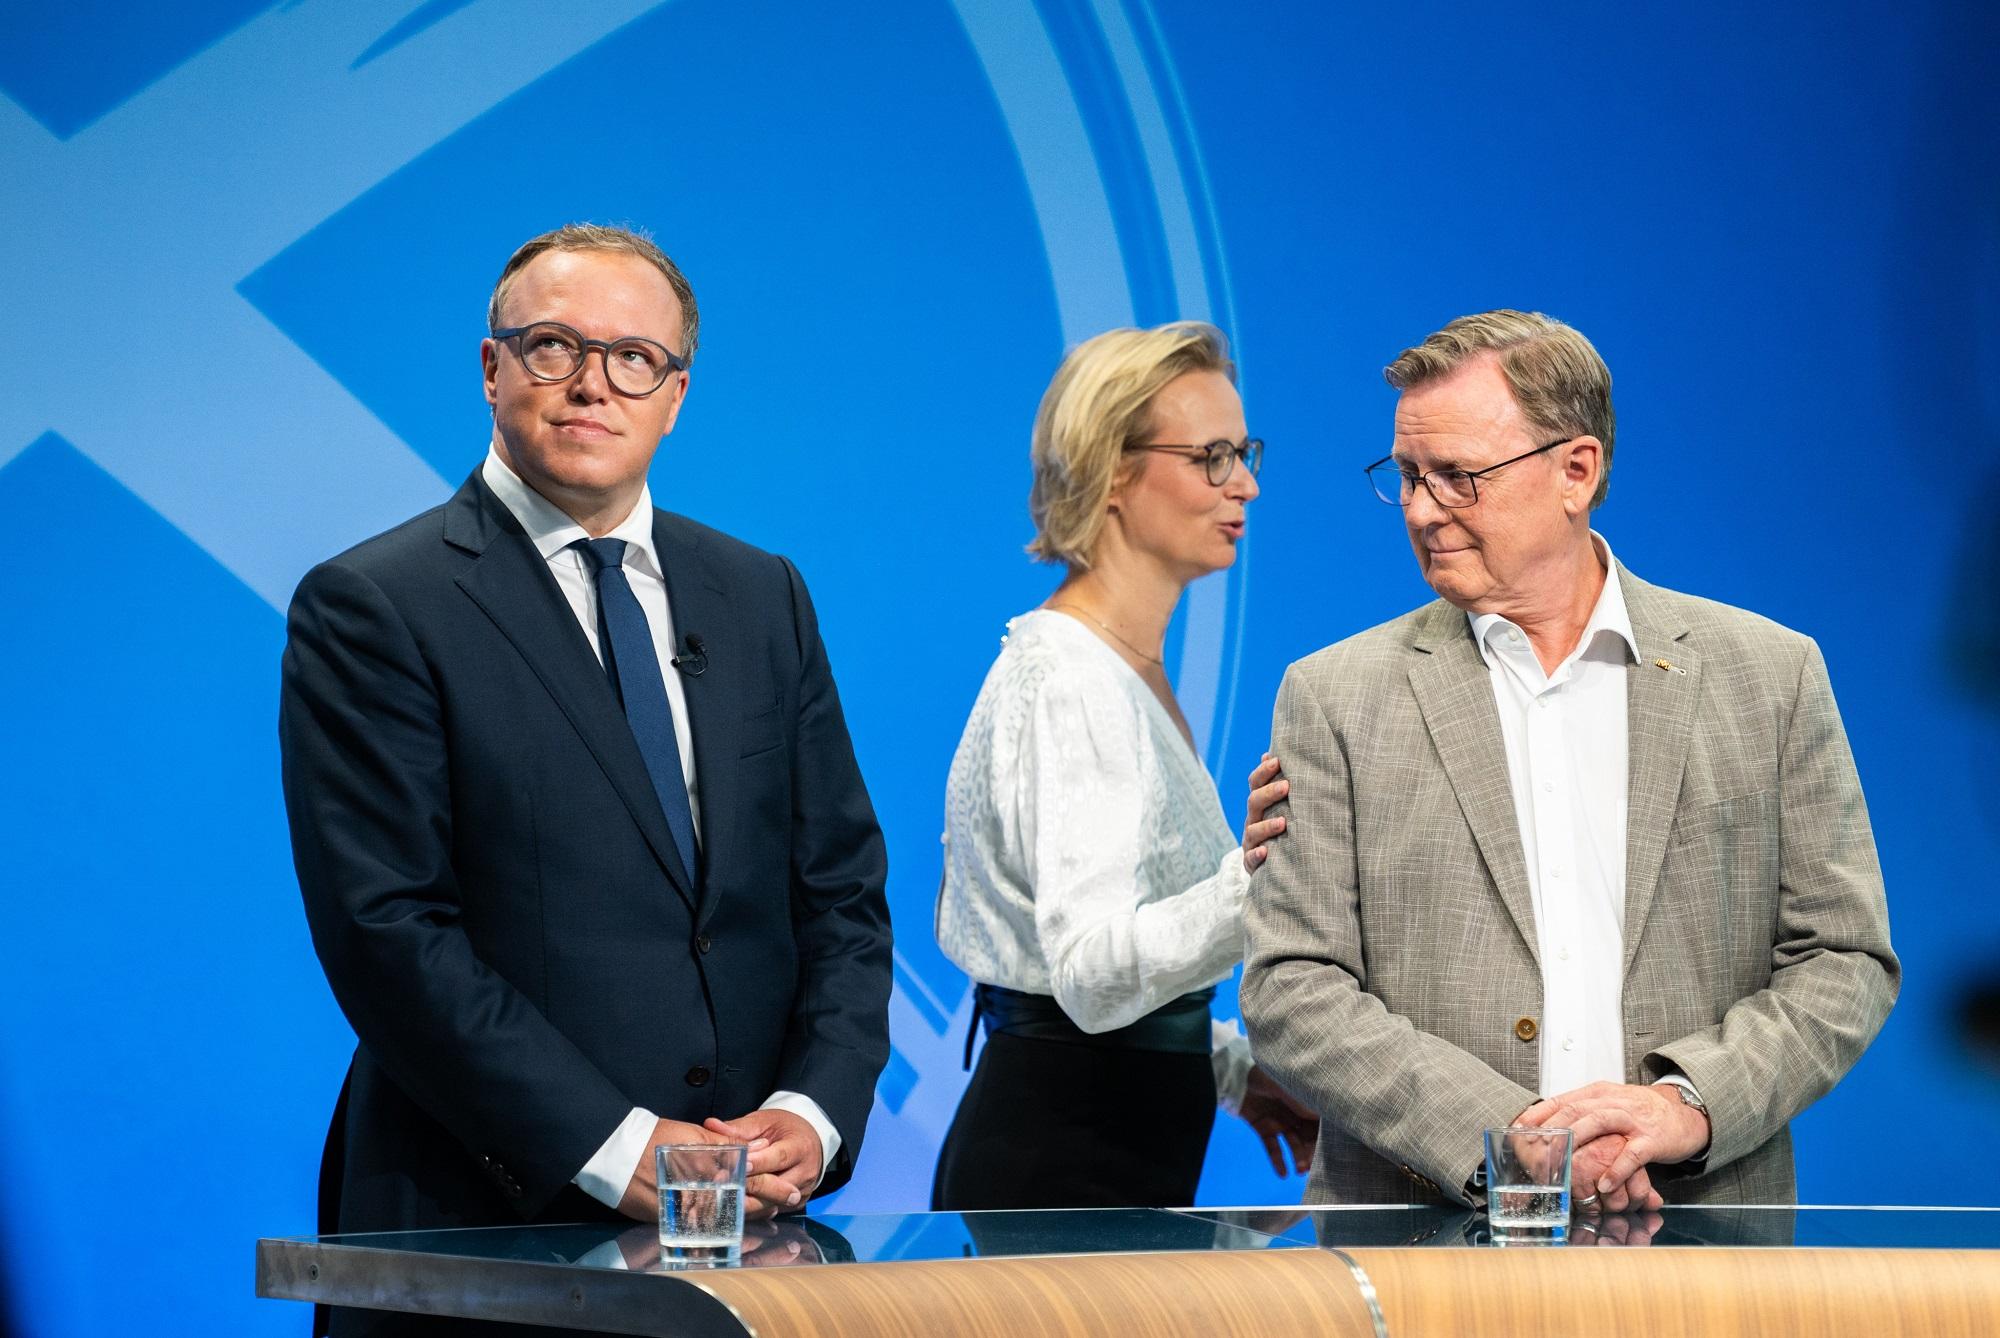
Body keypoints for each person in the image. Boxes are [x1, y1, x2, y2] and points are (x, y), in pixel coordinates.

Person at [280, 224, 892, 1332]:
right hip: (477, 1223)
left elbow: (839, 894)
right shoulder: (376, 604)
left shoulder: (763, 596)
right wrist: (618, 1149)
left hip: (742, 1247)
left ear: (674, 395)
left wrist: (812, 1112)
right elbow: (389, 931)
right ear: (491, 368)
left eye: (632, 359)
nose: (590, 385)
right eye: (553, 346)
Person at [1241, 309, 1898, 1212]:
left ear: (1575, 471)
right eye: (1408, 476)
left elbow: (1844, 958)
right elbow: (1290, 987)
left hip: (1695, 1245)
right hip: (1428, 1247)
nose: (1425, 509)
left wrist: (1687, 1104)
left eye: (1459, 477)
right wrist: (1509, 1141)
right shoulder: (1334, 695)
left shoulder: (1769, 676)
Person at [932, 321, 1318, 1210]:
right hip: (1060, 1162)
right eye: (1212, 457)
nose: (1246, 484)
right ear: (1112, 470)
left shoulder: (1118, 666)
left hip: (1113, 1140)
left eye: (1245, 452)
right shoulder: (1072, 679)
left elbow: (1103, 971)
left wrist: (1225, 1068)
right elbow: (1091, 976)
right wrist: (1269, 878)